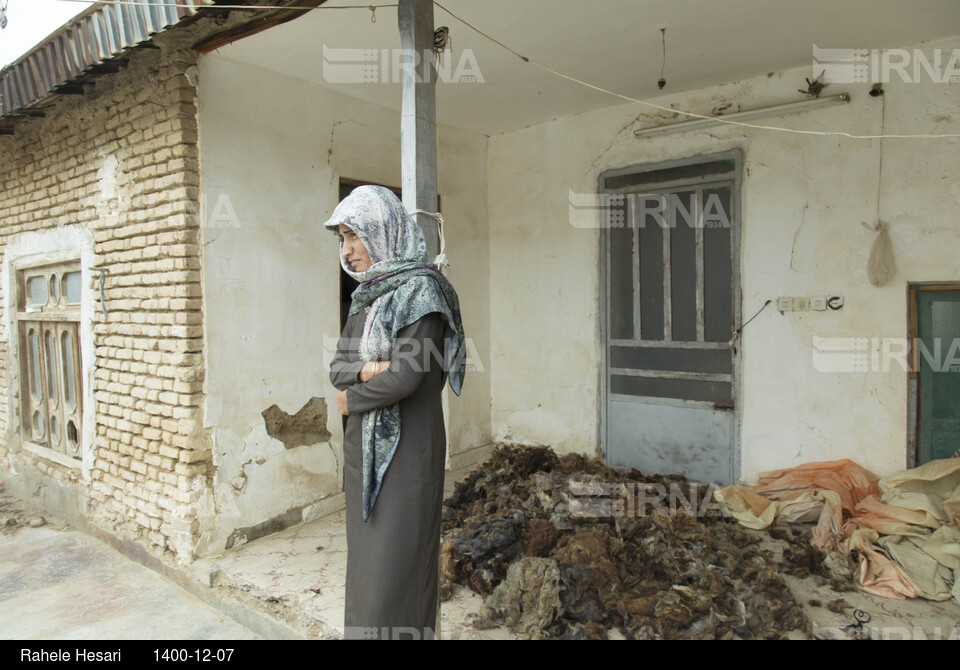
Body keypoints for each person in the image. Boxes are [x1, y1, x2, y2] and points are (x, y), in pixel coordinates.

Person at [325, 185, 465, 640]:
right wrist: (370, 369)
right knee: (367, 566)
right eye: (342, 238)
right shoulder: (367, 298)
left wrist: (354, 397)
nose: (347, 250)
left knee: (397, 565)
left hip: (408, 454)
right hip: (361, 452)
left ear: (383, 232)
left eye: (354, 236)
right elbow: (337, 367)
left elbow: (407, 377)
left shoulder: (422, 293)